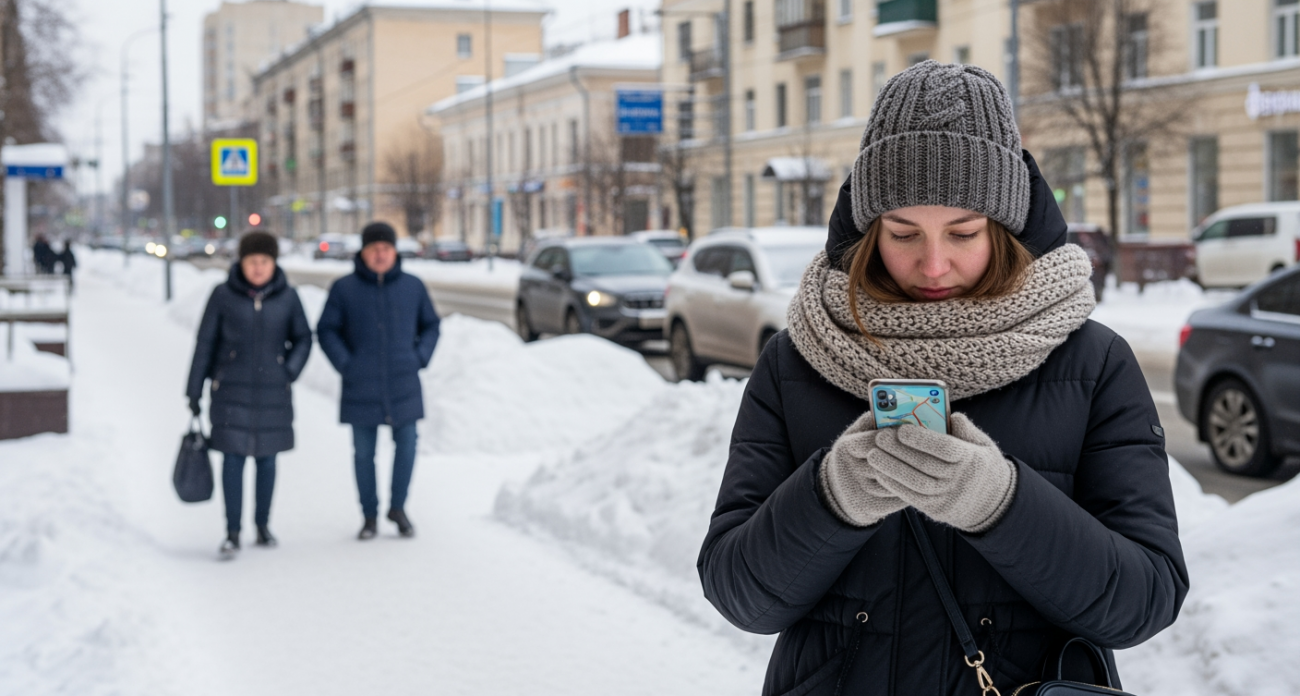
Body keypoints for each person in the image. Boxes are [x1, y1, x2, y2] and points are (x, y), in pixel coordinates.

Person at [697, 61, 1188, 696]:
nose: (932, 263)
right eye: (903, 233)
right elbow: (742, 598)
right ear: (870, 231)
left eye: (963, 232)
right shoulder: (797, 361)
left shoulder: (1092, 364)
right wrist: (832, 496)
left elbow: (1142, 602)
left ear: (1007, 227)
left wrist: (1000, 503)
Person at [186, 230, 312, 558]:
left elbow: (303, 338)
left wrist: (289, 370)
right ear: (241, 263)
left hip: (274, 392)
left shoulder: (288, 297)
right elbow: (205, 344)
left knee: (268, 461)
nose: (258, 268)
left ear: (273, 263)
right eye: (252, 261)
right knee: (233, 460)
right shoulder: (222, 295)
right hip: (230, 392)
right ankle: (232, 531)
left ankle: (263, 525)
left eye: (264, 261)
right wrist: (194, 389)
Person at [317, 221, 440, 540]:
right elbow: (327, 330)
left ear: (394, 252)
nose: (380, 255)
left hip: (403, 383)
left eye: (386, 249)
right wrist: (346, 363)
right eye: (374, 250)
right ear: (364, 252)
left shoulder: (413, 286)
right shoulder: (344, 289)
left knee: (408, 445)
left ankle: (398, 507)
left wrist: (419, 357)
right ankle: (369, 515)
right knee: (363, 453)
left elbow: (431, 325)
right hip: (361, 384)